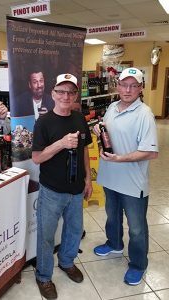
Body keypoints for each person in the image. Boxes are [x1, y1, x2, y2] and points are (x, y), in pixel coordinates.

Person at [93, 67, 158, 286]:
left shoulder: (144, 114)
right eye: (124, 84)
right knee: (112, 217)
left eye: (134, 86)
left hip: (132, 182)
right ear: (117, 85)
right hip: (111, 178)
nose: (128, 89)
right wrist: (98, 129)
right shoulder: (112, 106)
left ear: (140, 88)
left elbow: (150, 152)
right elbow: (109, 131)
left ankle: (139, 264)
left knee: (137, 227)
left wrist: (120, 159)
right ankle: (114, 243)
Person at [32, 73, 93, 299]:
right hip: (52, 191)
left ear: (76, 95)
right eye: (61, 91)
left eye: (70, 92)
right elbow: (37, 157)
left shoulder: (79, 118)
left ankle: (67, 262)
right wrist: (60, 143)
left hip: (76, 190)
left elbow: (85, 149)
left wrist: (88, 179)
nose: (66, 96)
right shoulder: (43, 122)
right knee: (47, 236)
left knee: (74, 231)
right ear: (53, 94)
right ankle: (43, 277)